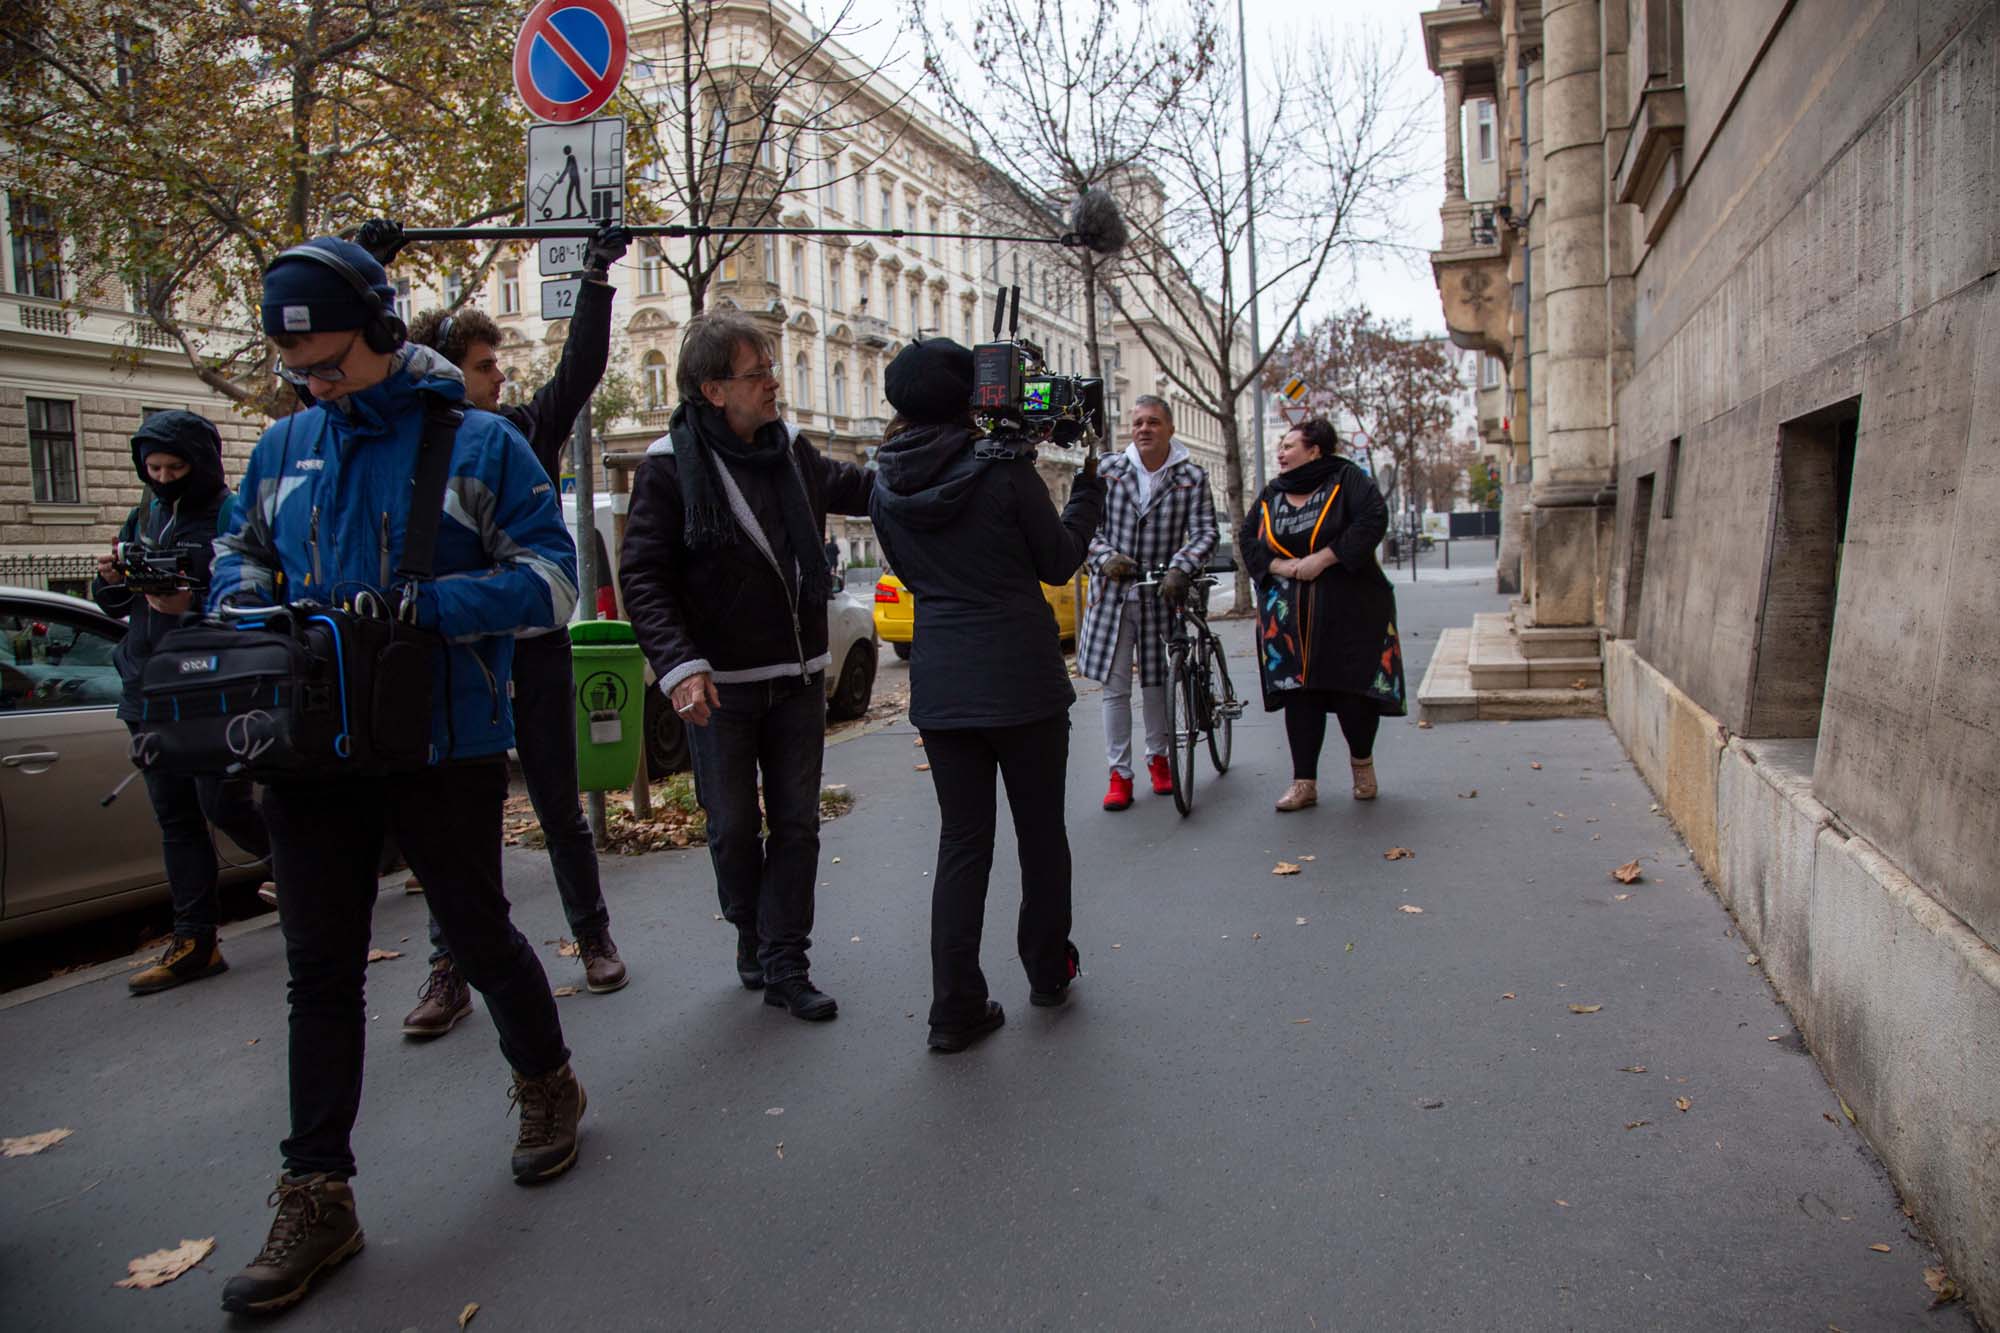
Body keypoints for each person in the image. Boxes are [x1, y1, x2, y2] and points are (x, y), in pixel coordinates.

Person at [209, 238, 586, 1315]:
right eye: (299, 371)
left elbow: (552, 583)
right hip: (307, 746)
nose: (314, 384)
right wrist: (245, 600)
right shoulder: (281, 444)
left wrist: (426, 609)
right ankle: (316, 1190)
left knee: (474, 931)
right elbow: (239, 551)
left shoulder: (480, 445)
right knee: (318, 970)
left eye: (329, 363)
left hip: (440, 739)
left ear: (380, 332)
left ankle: (546, 1080)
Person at [395, 220, 632, 1035]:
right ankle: (448, 965)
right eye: (484, 366)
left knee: (559, 804)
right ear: (444, 374)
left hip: (530, 655)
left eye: (498, 365)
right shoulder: (405, 445)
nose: (500, 377)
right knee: (456, 826)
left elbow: (581, 369)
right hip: (452, 663)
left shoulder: (523, 431)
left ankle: (592, 935)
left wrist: (596, 278)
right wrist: (372, 264)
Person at [619, 310, 871, 1021]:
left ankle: (786, 958)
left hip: (796, 675)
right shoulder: (668, 469)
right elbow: (643, 576)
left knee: (797, 823)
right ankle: (750, 930)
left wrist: (940, 461)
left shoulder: (793, 453)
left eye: (770, 368)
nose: (772, 384)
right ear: (712, 389)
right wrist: (679, 664)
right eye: (757, 372)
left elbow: (863, 488)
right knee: (731, 826)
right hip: (718, 686)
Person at [867, 340, 1104, 1053]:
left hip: (943, 686)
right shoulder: (1002, 471)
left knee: (963, 844)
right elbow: (1059, 559)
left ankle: (954, 1006)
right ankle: (1046, 971)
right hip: (1022, 683)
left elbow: (911, 573)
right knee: (1039, 833)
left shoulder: (883, 485)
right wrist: (1086, 496)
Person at [91, 411, 272, 995]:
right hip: (149, 688)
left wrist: (189, 601)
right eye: (153, 467)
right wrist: (115, 577)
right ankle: (196, 940)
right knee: (174, 816)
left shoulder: (230, 512)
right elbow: (116, 604)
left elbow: (256, 595)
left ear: (201, 463)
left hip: (209, 687)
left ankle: (315, 867)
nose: (164, 478)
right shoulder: (143, 513)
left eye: (175, 467)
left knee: (224, 803)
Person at [1238, 417, 1405, 811]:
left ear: (1314, 451)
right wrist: (1282, 568)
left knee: (1352, 692)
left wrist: (1324, 559)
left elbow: (1372, 520)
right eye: (1280, 445)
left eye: (1290, 445)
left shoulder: (1348, 480)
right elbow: (1247, 537)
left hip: (1351, 609)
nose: (1281, 451)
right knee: (1300, 695)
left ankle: (1362, 765)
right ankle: (1303, 783)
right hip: (1288, 616)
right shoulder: (1271, 494)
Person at [1076, 396, 1217, 811]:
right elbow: (1084, 526)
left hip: (1162, 593)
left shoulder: (1190, 475)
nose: (1144, 429)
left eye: (1153, 422)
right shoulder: (1108, 469)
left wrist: (1181, 567)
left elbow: (1205, 532)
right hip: (1114, 596)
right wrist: (1105, 558)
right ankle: (1119, 774)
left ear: (1169, 429)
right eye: (1138, 422)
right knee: (1114, 688)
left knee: (1157, 685)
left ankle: (1160, 759)